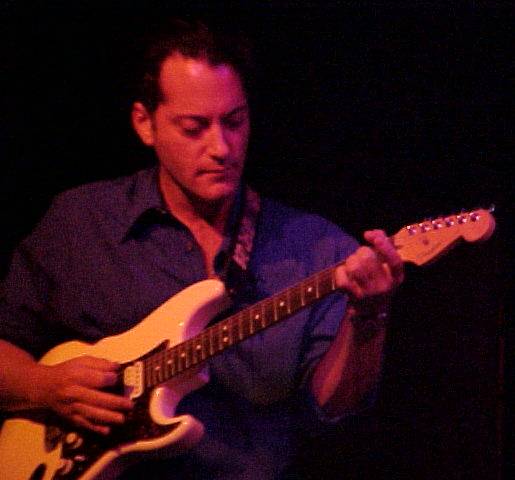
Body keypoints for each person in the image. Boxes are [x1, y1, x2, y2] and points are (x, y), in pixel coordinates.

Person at [0, 19, 404, 479]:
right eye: (194, 127)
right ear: (144, 124)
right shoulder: (82, 222)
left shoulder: (319, 249)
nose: (221, 147)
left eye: (234, 122)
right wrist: (44, 386)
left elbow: (334, 407)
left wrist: (369, 319)